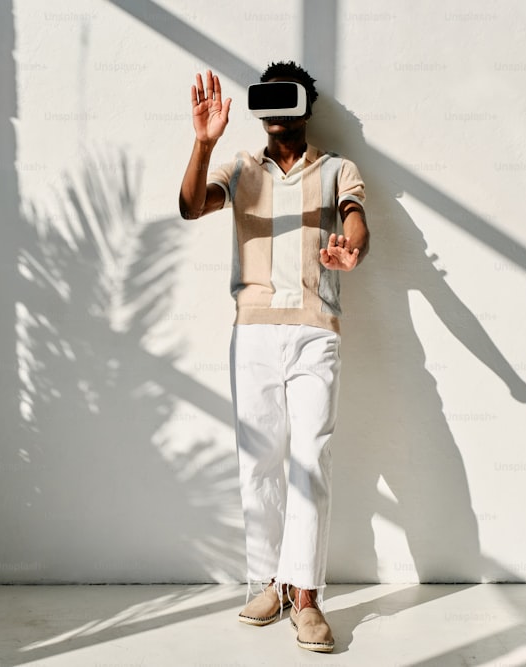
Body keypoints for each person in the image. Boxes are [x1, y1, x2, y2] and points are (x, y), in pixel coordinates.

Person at [178, 61, 368, 653]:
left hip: (317, 330)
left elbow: (358, 223)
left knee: (311, 457)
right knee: (257, 460)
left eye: (288, 102)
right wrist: (203, 143)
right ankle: (271, 582)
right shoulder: (238, 167)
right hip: (254, 330)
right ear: (261, 109)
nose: (278, 112)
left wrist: (351, 254)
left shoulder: (338, 168)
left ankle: (306, 596)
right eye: (269, 102)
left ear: (305, 108)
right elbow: (190, 206)